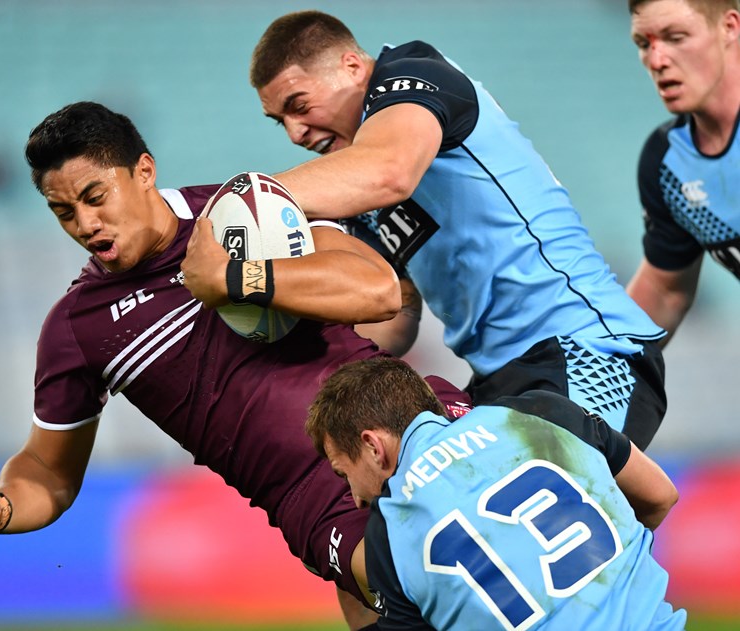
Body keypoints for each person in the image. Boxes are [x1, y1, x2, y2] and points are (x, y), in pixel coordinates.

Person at [0, 101, 476, 629]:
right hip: (313, 495)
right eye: (64, 212)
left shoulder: (248, 213)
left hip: (409, 420)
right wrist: (2, 509)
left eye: (94, 197)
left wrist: (234, 281)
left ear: (144, 171)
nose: (85, 223)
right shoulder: (78, 328)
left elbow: (378, 295)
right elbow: (49, 471)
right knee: (419, 586)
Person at [245, 10, 668, 450]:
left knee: (553, 499)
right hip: (498, 380)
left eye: (299, 105)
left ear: (352, 67)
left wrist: (242, 199)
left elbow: (390, 171)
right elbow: (396, 315)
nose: (295, 133)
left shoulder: (411, 74)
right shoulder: (359, 192)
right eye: (281, 120)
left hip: (584, 349)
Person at [305, 356, 687, 630]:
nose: (354, 497)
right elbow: (659, 496)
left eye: (345, 474)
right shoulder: (542, 411)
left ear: (373, 446)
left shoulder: (390, 525)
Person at [627, 0, 740, 346]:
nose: (657, 61)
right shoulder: (668, 163)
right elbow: (665, 291)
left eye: (675, 38)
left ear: (730, 27)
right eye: (644, 45)